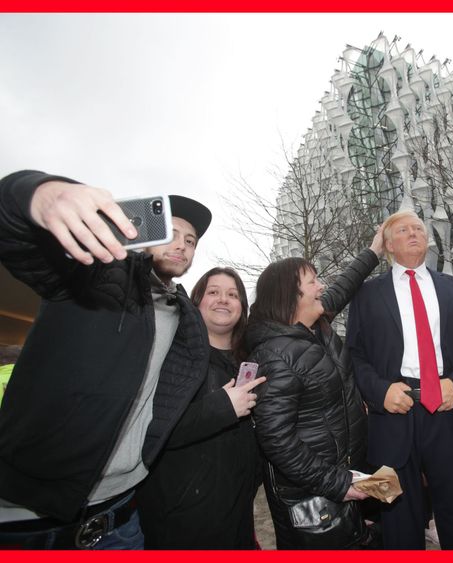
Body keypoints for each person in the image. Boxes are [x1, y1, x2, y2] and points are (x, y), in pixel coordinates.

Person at [0, 170, 212, 549]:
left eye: (191, 240)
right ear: (142, 235)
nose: (181, 245)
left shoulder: (187, 316)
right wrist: (42, 193)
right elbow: (17, 240)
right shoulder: (92, 274)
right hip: (28, 521)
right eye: (170, 232)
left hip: (122, 515)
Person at [347, 209, 453, 549]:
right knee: (399, 526)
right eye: (402, 230)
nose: (414, 233)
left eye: (418, 228)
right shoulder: (366, 294)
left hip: (450, 413)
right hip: (392, 416)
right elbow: (354, 355)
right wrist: (379, 392)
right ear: (387, 246)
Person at [247, 228, 383, 549]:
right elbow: (277, 441)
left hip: (343, 484)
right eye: (312, 282)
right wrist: (338, 484)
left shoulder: (314, 327)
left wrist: (374, 250)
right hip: (314, 500)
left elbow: (341, 288)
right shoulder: (274, 354)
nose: (321, 286)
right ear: (289, 295)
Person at [137, 267, 266, 548]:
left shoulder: (247, 362)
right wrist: (222, 406)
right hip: (185, 523)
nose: (223, 299)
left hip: (238, 515)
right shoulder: (173, 356)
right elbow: (154, 431)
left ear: (242, 307)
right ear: (197, 302)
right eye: (213, 292)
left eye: (233, 295)